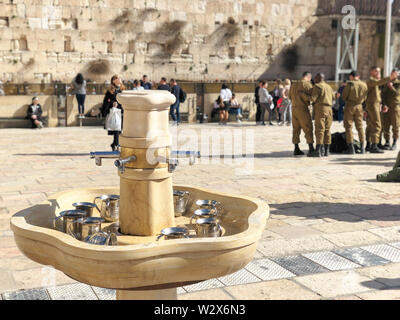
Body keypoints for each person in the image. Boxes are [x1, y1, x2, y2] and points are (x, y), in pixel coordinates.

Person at [365, 67, 398, 153]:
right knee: (377, 125)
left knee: (392, 124)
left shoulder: (376, 83)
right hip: (373, 105)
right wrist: (389, 78)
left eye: (379, 72)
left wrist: (381, 104)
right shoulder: (372, 81)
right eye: (376, 71)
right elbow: (381, 89)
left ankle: (373, 144)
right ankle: (374, 145)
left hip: (380, 105)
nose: (378, 73)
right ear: (371, 72)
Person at [341, 70, 368, 154]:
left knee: (348, 126)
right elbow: (365, 97)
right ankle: (362, 147)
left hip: (350, 106)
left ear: (351, 76)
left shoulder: (350, 84)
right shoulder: (364, 85)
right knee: (360, 127)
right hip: (359, 106)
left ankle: (351, 147)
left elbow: (344, 96)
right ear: (358, 76)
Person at [288, 71, 315, 156]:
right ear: (309, 77)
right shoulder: (306, 84)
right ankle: (311, 148)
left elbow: (289, 97)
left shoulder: (293, 85)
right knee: (308, 128)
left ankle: (296, 148)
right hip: (302, 109)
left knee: (296, 129)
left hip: (294, 109)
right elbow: (313, 96)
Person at [309, 73, 335, 157]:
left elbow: (313, 98)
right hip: (329, 109)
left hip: (321, 109)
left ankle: (318, 150)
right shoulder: (329, 87)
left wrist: (304, 95)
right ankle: (327, 151)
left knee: (320, 129)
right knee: (327, 130)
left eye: (315, 78)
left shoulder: (317, 86)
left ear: (318, 78)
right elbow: (334, 97)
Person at [102, 74, 126, 151]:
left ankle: (114, 144)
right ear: (114, 80)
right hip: (114, 111)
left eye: (120, 78)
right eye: (118, 78)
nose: (120, 79)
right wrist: (112, 103)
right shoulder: (110, 91)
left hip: (122, 110)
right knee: (117, 128)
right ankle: (116, 144)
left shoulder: (123, 89)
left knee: (119, 128)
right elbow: (106, 101)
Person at [381, 76, 400, 151]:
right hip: (387, 107)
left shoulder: (398, 84)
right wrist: (384, 104)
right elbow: (383, 95)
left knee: (395, 125)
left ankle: (394, 142)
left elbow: (397, 93)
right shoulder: (386, 83)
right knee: (386, 125)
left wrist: (391, 87)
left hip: (395, 107)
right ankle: (387, 142)